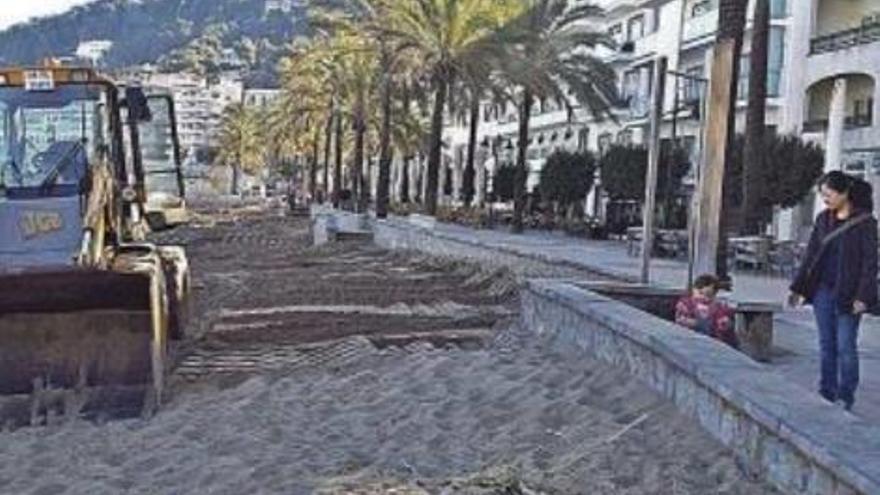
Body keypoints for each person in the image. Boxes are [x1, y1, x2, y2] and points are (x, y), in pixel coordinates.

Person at [790, 171, 878, 411]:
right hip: (823, 292)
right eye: (822, 195)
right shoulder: (822, 220)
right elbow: (810, 256)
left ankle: (845, 395)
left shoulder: (866, 223)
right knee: (826, 344)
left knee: (846, 346)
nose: (825, 199)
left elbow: (871, 263)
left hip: (850, 295)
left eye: (828, 194)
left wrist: (863, 296)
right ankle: (826, 391)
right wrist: (798, 288)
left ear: (844, 193)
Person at [675, 274, 738, 348]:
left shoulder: (718, 308)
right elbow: (680, 320)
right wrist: (691, 322)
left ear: (714, 295)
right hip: (690, 340)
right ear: (693, 290)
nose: (703, 297)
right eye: (700, 293)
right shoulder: (686, 304)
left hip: (712, 342)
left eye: (708, 295)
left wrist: (724, 322)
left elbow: (723, 322)